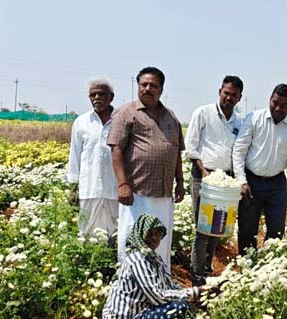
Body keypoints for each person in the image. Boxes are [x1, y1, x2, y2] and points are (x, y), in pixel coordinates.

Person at [108, 67, 186, 267]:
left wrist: (180, 181)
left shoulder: (171, 117)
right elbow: (116, 149)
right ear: (138, 86)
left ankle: (159, 283)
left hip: (164, 193)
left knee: (160, 240)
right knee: (134, 238)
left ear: (161, 89)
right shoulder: (126, 113)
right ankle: (132, 282)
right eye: (144, 84)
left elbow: (176, 151)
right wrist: (122, 184)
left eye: (153, 86)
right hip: (137, 193)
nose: (147, 89)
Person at [101, 214, 206, 319]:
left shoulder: (154, 259)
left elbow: (171, 287)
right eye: (149, 233)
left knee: (189, 304)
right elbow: (157, 297)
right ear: (140, 234)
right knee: (179, 308)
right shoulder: (138, 260)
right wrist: (194, 293)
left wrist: (197, 295)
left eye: (158, 234)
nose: (154, 238)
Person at [232, 84, 287, 254]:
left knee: (276, 232)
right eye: (275, 103)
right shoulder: (254, 119)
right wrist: (241, 181)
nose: (277, 108)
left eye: (284, 106)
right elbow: (239, 151)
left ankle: (267, 271)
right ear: (270, 99)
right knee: (247, 230)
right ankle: (246, 270)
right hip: (251, 182)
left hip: (276, 184)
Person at [184, 75, 244, 285]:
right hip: (203, 176)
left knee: (217, 229)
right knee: (203, 228)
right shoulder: (203, 113)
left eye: (233, 95)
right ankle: (197, 275)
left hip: (224, 181)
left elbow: (238, 153)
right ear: (220, 91)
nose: (229, 98)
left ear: (239, 98)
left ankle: (207, 269)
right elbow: (190, 146)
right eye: (226, 93)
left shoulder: (239, 121)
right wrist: (203, 172)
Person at [68, 77, 118, 242]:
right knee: (87, 233)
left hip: (115, 189)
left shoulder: (121, 120)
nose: (97, 98)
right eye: (93, 95)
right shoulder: (82, 122)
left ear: (111, 97)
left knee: (116, 233)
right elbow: (74, 156)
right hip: (89, 188)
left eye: (102, 94)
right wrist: (73, 187)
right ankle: (88, 264)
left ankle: (113, 265)